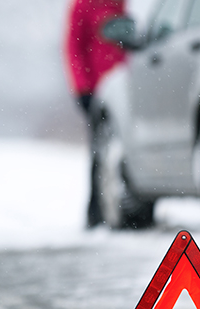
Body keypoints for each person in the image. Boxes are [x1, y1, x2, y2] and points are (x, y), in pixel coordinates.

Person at [65, 0, 128, 228]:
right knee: (99, 150)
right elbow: (73, 49)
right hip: (97, 91)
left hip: (123, 89)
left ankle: (124, 208)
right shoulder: (82, 5)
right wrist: (82, 88)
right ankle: (95, 212)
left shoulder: (119, 4)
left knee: (120, 150)